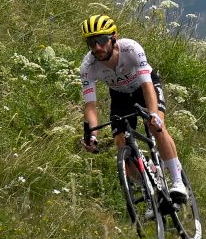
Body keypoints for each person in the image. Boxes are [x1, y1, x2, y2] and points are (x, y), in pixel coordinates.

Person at [79, 14, 188, 201]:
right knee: (121, 142)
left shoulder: (131, 48)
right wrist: (93, 136)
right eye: (91, 42)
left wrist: (154, 114)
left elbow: (147, 86)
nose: (97, 47)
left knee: (156, 127)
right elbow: (90, 105)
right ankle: (149, 190)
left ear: (113, 38)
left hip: (144, 88)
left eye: (101, 40)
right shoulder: (88, 66)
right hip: (120, 96)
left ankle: (178, 183)